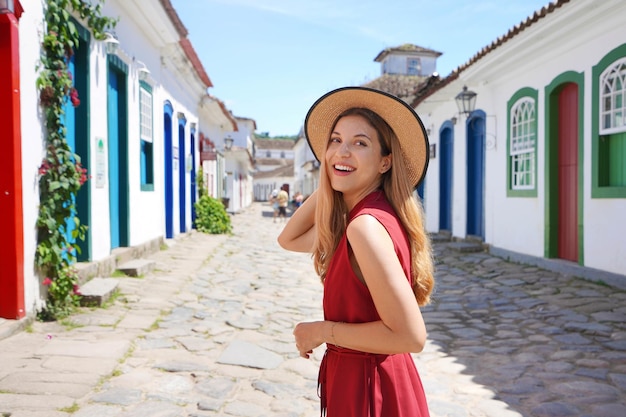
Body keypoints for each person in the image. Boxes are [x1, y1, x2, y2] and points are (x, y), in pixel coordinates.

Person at [277, 86, 434, 417]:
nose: (342, 151)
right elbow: (288, 239)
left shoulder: (364, 227)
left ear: (384, 162)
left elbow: (411, 336)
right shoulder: (364, 216)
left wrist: (321, 331)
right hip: (371, 380)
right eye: (335, 141)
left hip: (370, 391)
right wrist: (335, 177)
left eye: (359, 143)